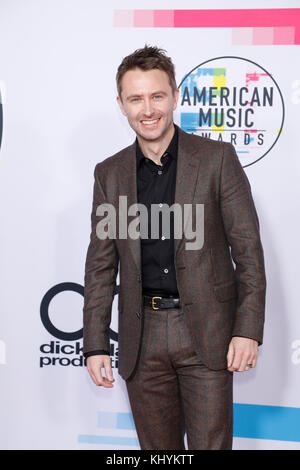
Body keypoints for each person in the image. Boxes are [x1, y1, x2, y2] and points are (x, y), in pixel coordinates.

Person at [82, 45, 266, 450]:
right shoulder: (109, 174)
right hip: (141, 338)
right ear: (122, 104)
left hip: (207, 334)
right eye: (136, 99)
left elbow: (249, 252)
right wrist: (95, 343)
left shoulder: (217, 159)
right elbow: (99, 266)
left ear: (175, 96)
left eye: (157, 96)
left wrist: (247, 330)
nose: (148, 109)